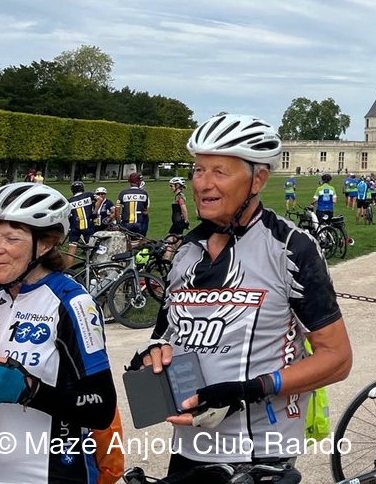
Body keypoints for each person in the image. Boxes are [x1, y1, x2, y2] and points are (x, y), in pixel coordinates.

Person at [133, 113, 353, 478]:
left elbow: (338, 358)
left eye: (219, 172)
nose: (203, 183)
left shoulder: (290, 248)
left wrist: (249, 389)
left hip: (260, 451)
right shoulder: (186, 251)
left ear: (258, 179)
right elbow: (165, 336)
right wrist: (153, 353)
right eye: (198, 170)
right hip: (187, 446)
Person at [0, 182, 118, 484]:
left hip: (48, 475)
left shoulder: (71, 303)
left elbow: (101, 407)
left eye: (12, 238)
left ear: (46, 243)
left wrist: (30, 391)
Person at [65, 180, 95, 258]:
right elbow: (100, 199)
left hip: (75, 227)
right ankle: (91, 262)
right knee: (92, 248)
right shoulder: (88, 195)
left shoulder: (69, 201)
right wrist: (95, 212)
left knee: (71, 250)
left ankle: (68, 265)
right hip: (88, 225)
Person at [117, 171, 150, 238]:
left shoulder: (123, 193)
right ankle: (142, 239)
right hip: (139, 222)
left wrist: (118, 221)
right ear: (139, 182)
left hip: (126, 222)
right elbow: (145, 211)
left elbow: (117, 208)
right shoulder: (144, 193)